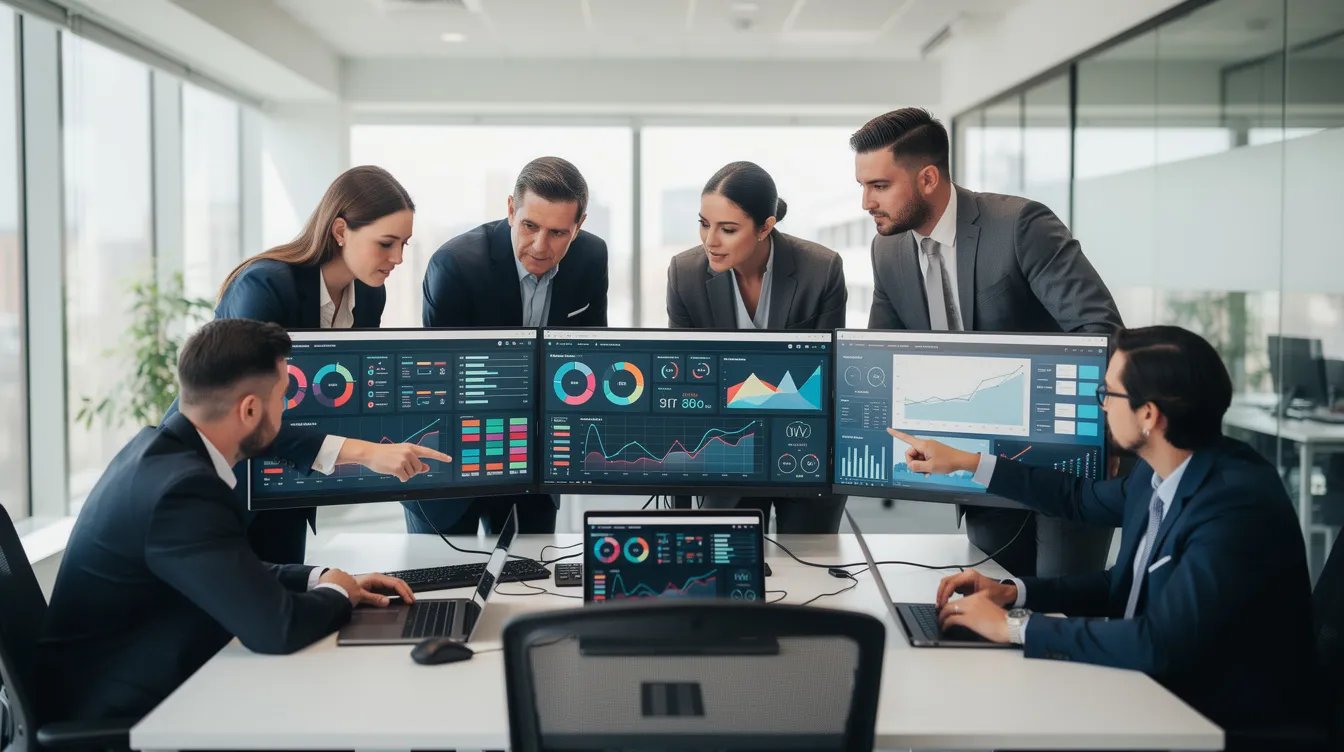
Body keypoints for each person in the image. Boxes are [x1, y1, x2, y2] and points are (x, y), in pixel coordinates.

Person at [893, 326, 1312, 732]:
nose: (1103, 406)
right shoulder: (1156, 473)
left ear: (1149, 414)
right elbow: (1091, 522)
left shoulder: (1235, 505)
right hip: (1143, 687)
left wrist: (1014, 627)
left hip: (1210, 719)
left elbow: (1161, 644)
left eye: (1109, 393)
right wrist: (1013, 592)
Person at [38, 319, 417, 722]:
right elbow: (277, 629)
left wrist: (321, 578)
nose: (286, 410)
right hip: (119, 715)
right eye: (283, 398)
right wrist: (339, 595)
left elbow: (228, 567)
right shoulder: (183, 491)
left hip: (127, 676)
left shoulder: (158, 451)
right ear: (250, 409)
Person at [852, 107, 1124, 578]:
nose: (865, 202)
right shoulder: (888, 250)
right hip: (974, 465)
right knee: (992, 593)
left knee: (1059, 600)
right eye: (862, 186)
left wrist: (1103, 430)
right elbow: (883, 354)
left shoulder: (1019, 225)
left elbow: (1099, 330)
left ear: (928, 178)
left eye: (879, 186)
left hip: (1057, 462)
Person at [164, 165, 449, 566]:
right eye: (386, 243)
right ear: (340, 231)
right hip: (217, 480)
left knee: (287, 593)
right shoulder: (264, 287)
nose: (398, 258)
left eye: (404, 244)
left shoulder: (370, 296)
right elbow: (242, 415)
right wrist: (365, 452)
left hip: (286, 484)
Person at [415, 156, 608, 535]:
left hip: (533, 461)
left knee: (530, 567)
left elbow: (590, 356)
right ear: (510, 209)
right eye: (529, 226)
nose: (540, 246)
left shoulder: (591, 257)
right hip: (453, 457)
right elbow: (440, 382)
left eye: (558, 233)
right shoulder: (455, 265)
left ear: (579, 226)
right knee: (443, 569)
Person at [667, 161, 848, 533]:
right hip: (726, 450)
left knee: (810, 560)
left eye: (728, 229)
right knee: (728, 560)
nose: (710, 241)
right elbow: (685, 380)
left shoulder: (821, 269)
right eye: (704, 223)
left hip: (804, 449)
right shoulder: (685, 274)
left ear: (765, 227)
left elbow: (827, 379)